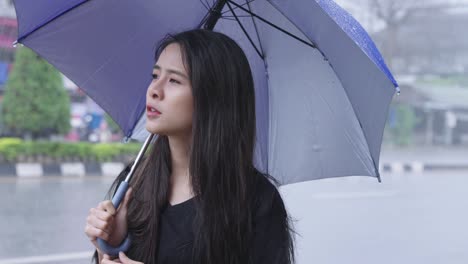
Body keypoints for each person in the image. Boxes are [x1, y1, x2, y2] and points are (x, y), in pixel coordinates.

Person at [84, 29, 296, 264]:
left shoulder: (257, 202)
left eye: (174, 80)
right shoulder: (135, 183)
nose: (154, 90)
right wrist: (110, 247)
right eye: (155, 76)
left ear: (212, 98)